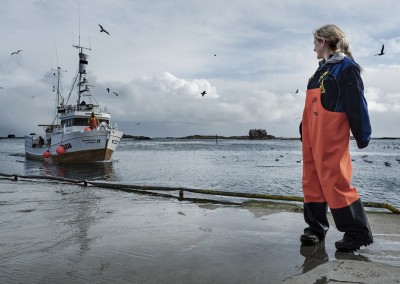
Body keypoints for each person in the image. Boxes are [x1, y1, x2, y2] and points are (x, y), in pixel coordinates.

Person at [299, 24, 373, 252]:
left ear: (323, 41)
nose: (313, 49)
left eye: (315, 43)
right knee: (311, 180)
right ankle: (315, 229)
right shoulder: (319, 72)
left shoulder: (346, 67)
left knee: (335, 180)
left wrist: (362, 133)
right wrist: (303, 127)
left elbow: (356, 101)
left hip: (331, 132)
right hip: (313, 134)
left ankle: (357, 232)